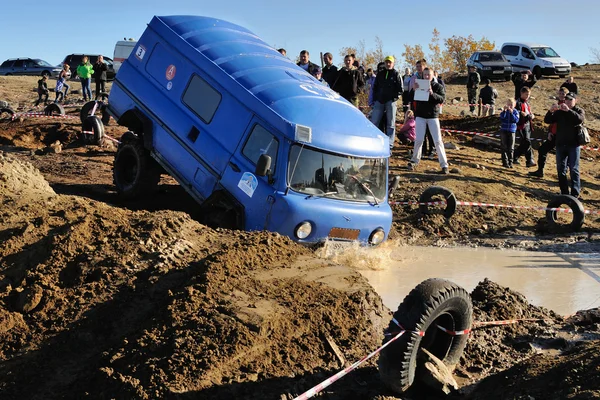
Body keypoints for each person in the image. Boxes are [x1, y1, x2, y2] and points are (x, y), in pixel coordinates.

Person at [543, 92, 585, 198]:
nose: (568, 102)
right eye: (566, 99)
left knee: (574, 169)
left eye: (571, 100)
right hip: (561, 144)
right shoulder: (560, 112)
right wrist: (550, 111)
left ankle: (575, 193)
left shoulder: (578, 111)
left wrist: (569, 110)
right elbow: (547, 120)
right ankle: (564, 192)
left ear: (576, 101)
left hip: (573, 145)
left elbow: (579, 119)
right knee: (561, 169)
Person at [408, 67, 449, 174]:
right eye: (424, 74)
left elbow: (441, 99)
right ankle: (414, 160)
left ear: (432, 75)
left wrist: (432, 93)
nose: (426, 76)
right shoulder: (418, 84)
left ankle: (444, 165)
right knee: (419, 140)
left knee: (438, 141)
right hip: (420, 116)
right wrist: (413, 89)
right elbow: (410, 98)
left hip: (433, 116)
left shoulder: (438, 86)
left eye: (428, 75)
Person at [529, 87, 568, 177]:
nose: (561, 96)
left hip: (563, 136)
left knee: (563, 155)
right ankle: (540, 171)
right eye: (560, 94)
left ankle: (563, 175)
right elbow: (551, 121)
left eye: (563, 94)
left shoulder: (567, 107)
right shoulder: (557, 105)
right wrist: (550, 132)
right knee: (542, 150)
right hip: (554, 134)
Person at [370, 56, 403, 149]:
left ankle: (389, 145)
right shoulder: (380, 74)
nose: (388, 64)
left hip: (390, 102)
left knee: (390, 124)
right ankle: (374, 141)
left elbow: (401, 89)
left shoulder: (396, 74)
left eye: (390, 62)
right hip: (379, 101)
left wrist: (394, 98)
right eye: (386, 62)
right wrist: (376, 98)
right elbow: (375, 87)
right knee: (374, 121)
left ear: (393, 63)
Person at [513, 86, 536, 167]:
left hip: (528, 124)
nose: (528, 96)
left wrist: (531, 115)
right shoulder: (518, 103)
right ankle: (529, 159)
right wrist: (522, 113)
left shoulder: (526, 103)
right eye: (526, 94)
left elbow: (527, 113)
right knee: (526, 142)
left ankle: (514, 156)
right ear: (521, 93)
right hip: (521, 125)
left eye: (529, 94)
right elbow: (517, 112)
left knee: (525, 143)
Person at [499, 98, 520, 168]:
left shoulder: (515, 112)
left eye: (511, 105)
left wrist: (511, 113)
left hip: (512, 131)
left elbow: (516, 120)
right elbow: (501, 118)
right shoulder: (504, 111)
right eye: (508, 104)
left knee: (511, 148)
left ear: (514, 105)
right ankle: (505, 162)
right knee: (504, 147)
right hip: (504, 130)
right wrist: (504, 111)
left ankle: (510, 162)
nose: (509, 106)